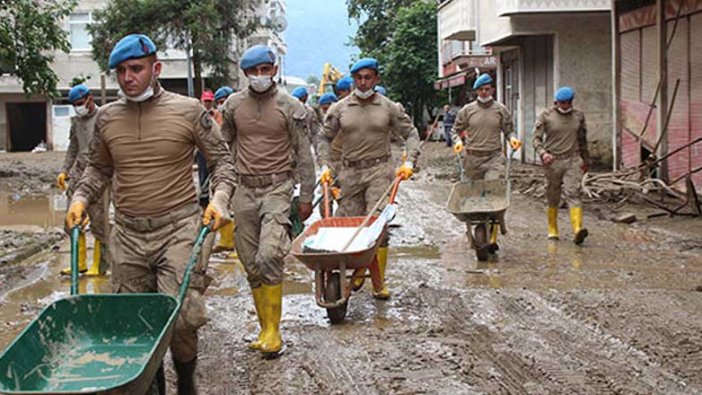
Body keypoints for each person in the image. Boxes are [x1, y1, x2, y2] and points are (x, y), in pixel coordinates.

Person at [64, 34, 236, 394]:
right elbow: (97, 169)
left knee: (182, 319)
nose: (128, 77)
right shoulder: (107, 119)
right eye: (121, 71)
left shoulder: (189, 111)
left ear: (155, 69)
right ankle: (150, 382)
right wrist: (79, 199)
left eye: (136, 69)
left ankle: (186, 380)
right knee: (134, 322)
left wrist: (218, 201)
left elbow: (222, 164)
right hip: (126, 234)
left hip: (178, 229)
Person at [220, 45, 315, 357]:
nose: (259, 76)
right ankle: (264, 328)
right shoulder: (233, 105)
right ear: (246, 73)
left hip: (278, 188)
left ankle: (274, 331)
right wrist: (219, 193)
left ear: (274, 70)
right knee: (250, 261)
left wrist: (306, 195)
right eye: (253, 71)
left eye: (265, 69)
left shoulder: (290, 107)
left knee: (269, 254)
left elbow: (304, 155)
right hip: (243, 190)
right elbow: (225, 148)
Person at [319, 58, 420, 300]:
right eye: (359, 78)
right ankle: (347, 273)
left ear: (376, 79)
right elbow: (323, 138)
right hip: (350, 173)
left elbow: (412, 133)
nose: (363, 82)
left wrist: (409, 162)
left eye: (368, 77)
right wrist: (324, 165)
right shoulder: (340, 108)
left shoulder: (389, 107)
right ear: (353, 79)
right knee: (346, 225)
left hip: (379, 171)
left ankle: (377, 282)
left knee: (376, 227)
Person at [450, 74, 522, 253]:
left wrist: (513, 139)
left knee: (493, 193)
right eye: (481, 90)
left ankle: (493, 235)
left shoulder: (500, 109)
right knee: (475, 198)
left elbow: (509, 130)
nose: (484, 92)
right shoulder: (467, 110)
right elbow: (455, 130)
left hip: (494, 158)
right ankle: (482, 232)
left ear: (492, 90)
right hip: (472, 159)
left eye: (487, 89)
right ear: (476, 91)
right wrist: (457, 141)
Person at [56, 84, 110, 276]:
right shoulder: (77, 122)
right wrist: (64, 170)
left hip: (100, 172)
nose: (78, 107)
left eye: (80, 103)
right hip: (79, 170)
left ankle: (99, 265)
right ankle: (78, 262)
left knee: (99, 221)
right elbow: (73, 147)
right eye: (74, 105)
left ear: (89, 98)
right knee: (72, 219)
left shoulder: (104, 117)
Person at [533, 86, 589, 245]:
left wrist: (586, 159)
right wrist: (543, 153)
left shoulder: (578, 116)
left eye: (568, 103)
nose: (565, 106)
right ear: (556, 102)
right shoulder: (546, 116)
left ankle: (577, 230)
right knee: (553, 194)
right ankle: (552, 228)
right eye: (561, 103)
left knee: (574, 193)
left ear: (572, 102)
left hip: (573, 159)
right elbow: (536, 139)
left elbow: (583, 139)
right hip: (553, 161)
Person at [212, 86, 236, 254]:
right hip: (222, 168)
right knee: (222, 204)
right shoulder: (215, 120)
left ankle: (237, 244)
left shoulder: (242, 116)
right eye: (219, 103)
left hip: (242, 168)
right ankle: (226, 241)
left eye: (224, 101)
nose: (222, 105)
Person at [291, 86, 320, 151]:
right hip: (303, 146)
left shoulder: (287, 110)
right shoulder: (310, 111)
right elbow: (315, 133)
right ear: (305, 97)